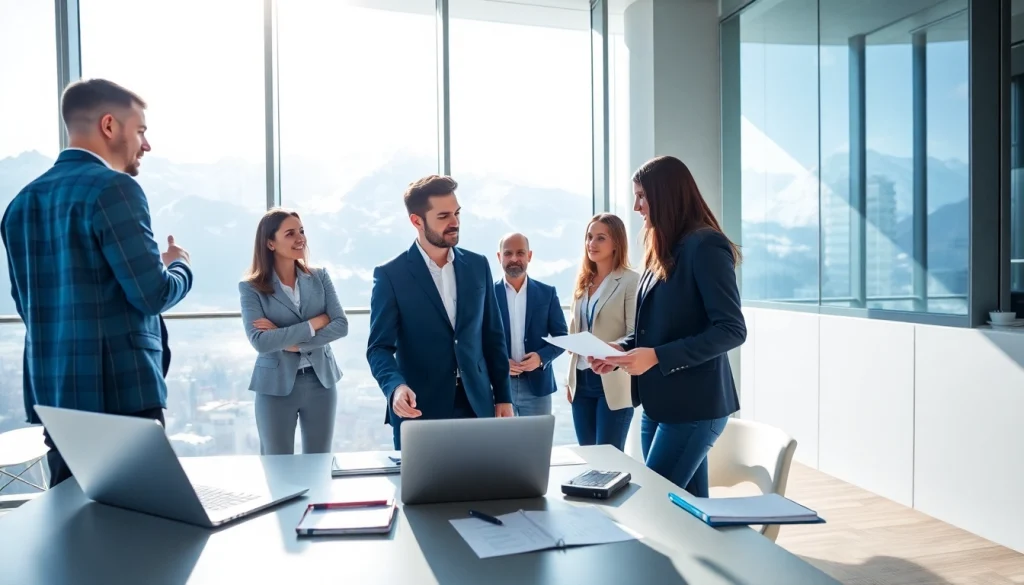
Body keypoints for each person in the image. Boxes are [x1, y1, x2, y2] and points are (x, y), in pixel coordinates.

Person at [0, 78, 193, 487]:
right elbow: (152, 293)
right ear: (110, 126)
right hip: (120, 396)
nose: (146, 144)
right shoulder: (116, 189)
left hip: (56, 398)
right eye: (140, 130)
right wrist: (179, 267)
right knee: (145, 530)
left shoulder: (20, 204)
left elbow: (31, 304)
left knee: (74, 526)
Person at [593, 155, 746, 497]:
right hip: (659, 404)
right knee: (688, 510)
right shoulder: (660, 248)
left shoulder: (705, 246)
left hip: (695, 406)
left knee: (654, 502)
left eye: (642, 196)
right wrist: (621, 350)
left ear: (667, 195)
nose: (636, 206)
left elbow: (732, 329)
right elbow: (655, 327)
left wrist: (658, 357)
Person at [367, 175, 513, 449]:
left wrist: (503, 397)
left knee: (482, 490)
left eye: (457, 213)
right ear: (416, 221)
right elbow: (378, 348)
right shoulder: (391, 275)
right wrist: (395, 388)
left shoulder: (478, 266)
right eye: (444, 215)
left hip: (478, 405)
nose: (455, 222)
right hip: (420, 409)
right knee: (425, 493)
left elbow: (493, 337)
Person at [238, 209, 348, 455]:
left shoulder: (319, 276)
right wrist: (314, 324)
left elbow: (340, 324)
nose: (300, 238)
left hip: (322, 382)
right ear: (270, 243)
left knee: (319, 462)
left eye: (301, 231)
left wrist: (289, 340)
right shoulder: (251, 287)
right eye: (290, 233)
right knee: (277, 463)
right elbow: (261, 342)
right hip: (274, 387)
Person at [565, 214, 639, 450]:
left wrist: (605, 350)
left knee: (610, 457)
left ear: (616, 242)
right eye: (589, 237)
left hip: (613, 380)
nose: (591, 244)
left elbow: (634, 332)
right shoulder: (583, 282)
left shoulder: (630, 281)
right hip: (581, 381)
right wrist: (570, 381)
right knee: (589, 455)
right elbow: (577, 329)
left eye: (600, 238)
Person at [494, 232, 568, 416]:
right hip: (498, 386)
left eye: (520, 253)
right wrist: (499, 362)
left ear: (529, 256)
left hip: (538, 387)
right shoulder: (487, 294)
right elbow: (476, 339)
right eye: (508, 253)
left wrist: (541, 358)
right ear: (499, 257)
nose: (514, 258)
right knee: (498, 444)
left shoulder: (547, 293)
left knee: (537, 443)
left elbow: (562, 337)